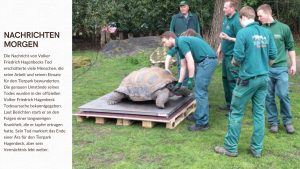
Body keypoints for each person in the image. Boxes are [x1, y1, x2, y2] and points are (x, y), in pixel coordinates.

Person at [214, 6, 277, 157]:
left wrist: (235, 63)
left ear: (242, 18)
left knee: (236, 112)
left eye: (240, 20)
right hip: (263, 79)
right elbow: (273, 56)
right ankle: (256, 149)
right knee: (259, 114)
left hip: (247, 80)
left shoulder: (243, 33)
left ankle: (230, 148)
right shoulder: (267, 33)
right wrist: (263, 65)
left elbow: (237, 57)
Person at [161, 31, 217, 131]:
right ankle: (199, 115)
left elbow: (190, 60)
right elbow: (183, 66)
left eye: (164, 42)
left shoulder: (182, 41)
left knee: (200, 91)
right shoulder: (179, 46)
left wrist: (191, 79)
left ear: (170, 38)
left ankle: (202, 123)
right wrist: (179, 83)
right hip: (204, 61)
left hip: (207, 61)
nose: (164, 45)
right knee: (199, 90)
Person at [257, 4, 297, 134]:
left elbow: (291, 48)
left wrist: (293, 64)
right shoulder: (260, 29)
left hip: (280, 68)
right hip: (265, 69)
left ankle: (287, 121)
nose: (259, 18)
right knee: (268, 96)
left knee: (283, 94)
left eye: (260, 16)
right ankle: (273, 121)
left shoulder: (283, 28)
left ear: (268, 14)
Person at [216, 0, 242, 112]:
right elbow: (224, 36)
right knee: (225, 80)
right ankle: (228, 104)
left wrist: (229, 38)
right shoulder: (226, 18)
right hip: (225, 55)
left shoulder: (237, 21)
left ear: (232, 8)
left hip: (233, 56)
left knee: (233, 81)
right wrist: (219, 48)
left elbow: (242, 39)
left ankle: (235, 107)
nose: (223, 10)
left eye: (225, 7)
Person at [169, 1, 201, 84]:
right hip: (180, 46)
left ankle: (193, 85)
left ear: (188, 7)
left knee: (193, 64)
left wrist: (199, 42)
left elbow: (198, 32)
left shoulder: (194, 17)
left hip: (193, 46)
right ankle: (183, 86)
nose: (182, 8)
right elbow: (171, 32)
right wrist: (173, 45)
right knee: (181, 65)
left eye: (184, 6)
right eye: (181, 7)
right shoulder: (175, 18)